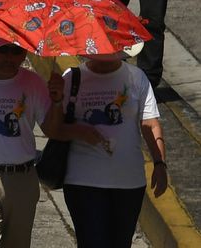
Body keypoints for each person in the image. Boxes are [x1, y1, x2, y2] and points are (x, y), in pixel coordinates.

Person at [0, 38, 103, 248]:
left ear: (24, 54)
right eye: (3, 50)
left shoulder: (33, 83)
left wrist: (57, 101)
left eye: (16, 51)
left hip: (23, 180)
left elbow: (51, 130)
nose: (9, 57)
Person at [54, 49, 169, 248]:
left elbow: (150, 124)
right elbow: (54, 129)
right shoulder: (72, 78)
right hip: (83, 182)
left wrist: (160, 163)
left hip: (128, 183)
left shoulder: (137, 78)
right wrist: (73, 125)